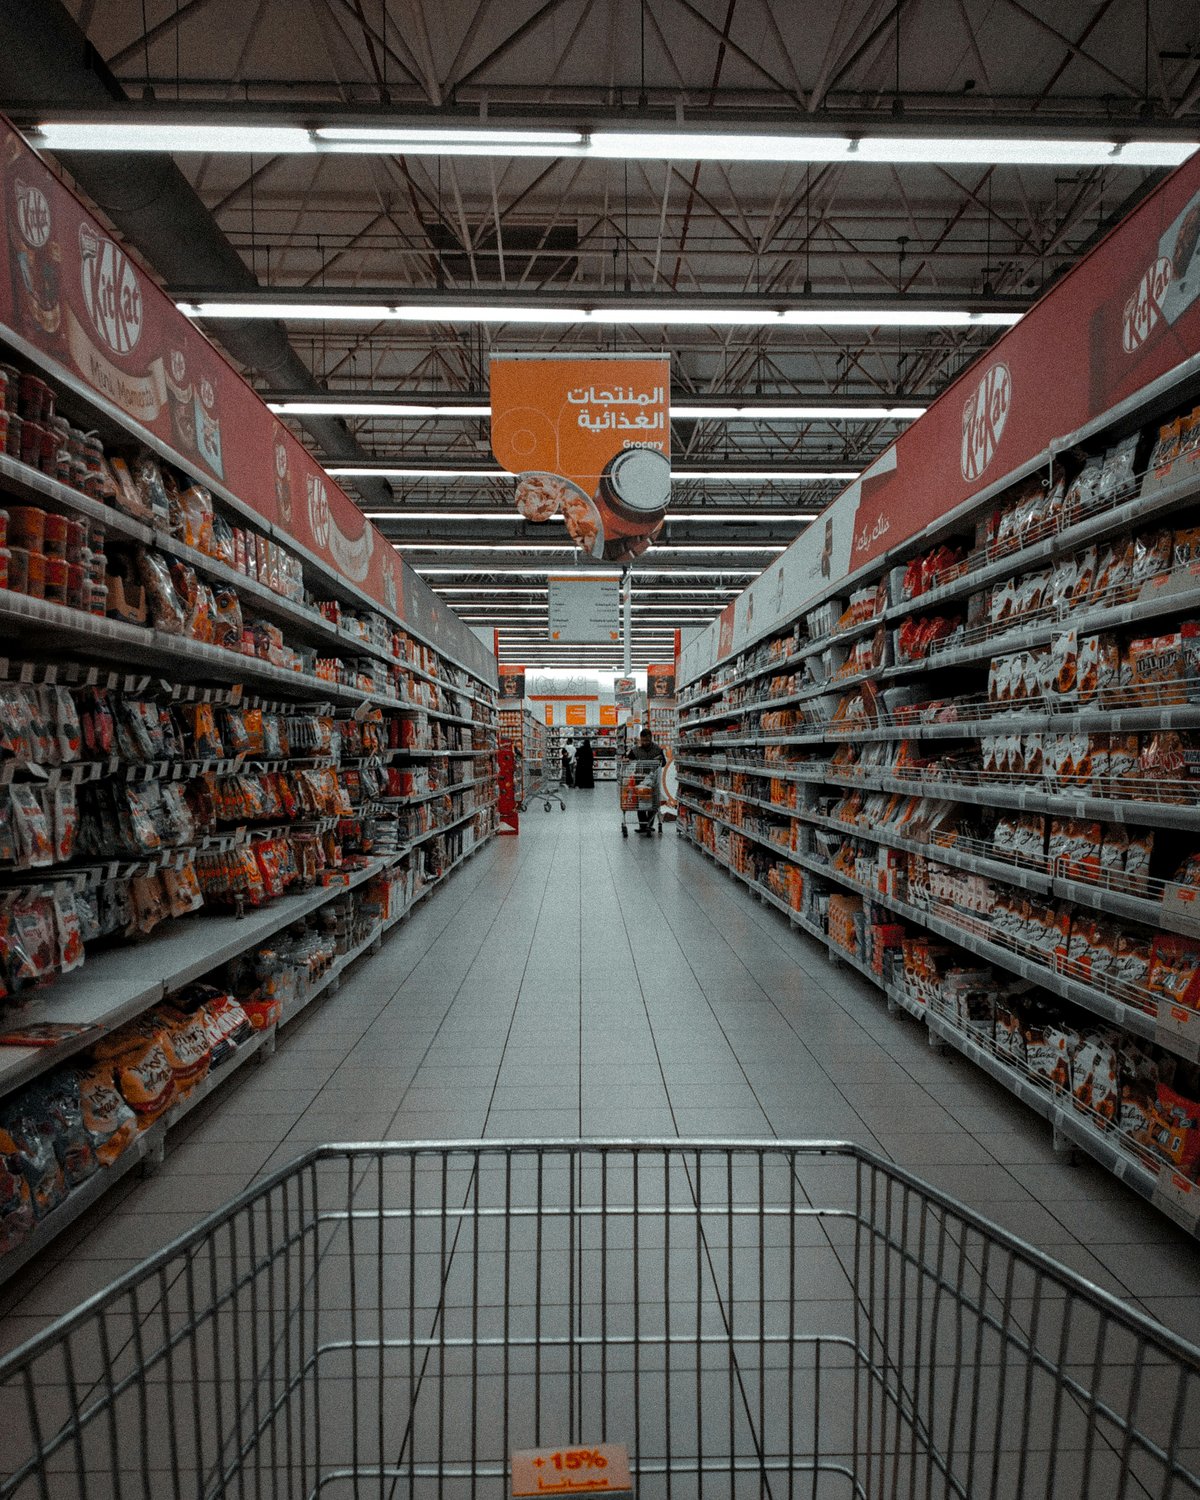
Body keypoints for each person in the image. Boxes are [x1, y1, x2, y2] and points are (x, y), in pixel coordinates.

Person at [626, 726, 665, 834]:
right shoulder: (635, 749)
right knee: (641, 803)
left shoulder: (657, 749)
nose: (645, 742)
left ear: (651, 738)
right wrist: (627, 761)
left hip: (653, 780)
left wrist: (659, 759)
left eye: (647, 740)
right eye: (643, 740)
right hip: (640, 779)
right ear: (640, 739)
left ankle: (649, 824)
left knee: (653, 803)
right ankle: (643, 826)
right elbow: (628, 759)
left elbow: (664, 763)